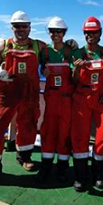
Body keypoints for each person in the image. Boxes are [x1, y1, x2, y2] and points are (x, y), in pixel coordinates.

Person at [0, 10, 46, 190]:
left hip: (29, 95)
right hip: (6, 96)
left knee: (29, 126)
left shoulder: (39, 46)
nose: (21, 29)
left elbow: (58, 54)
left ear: (30, 27)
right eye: (17, 26)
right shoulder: (3, 46)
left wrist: (71, 45)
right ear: (12, 27)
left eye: (24, 26)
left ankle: (24, 157)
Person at [71, 16, 103, 192]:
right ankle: (81, 176)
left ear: (100, 33)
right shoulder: (77, 53)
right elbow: (72, 82)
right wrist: (77, 69)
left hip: (102, 99)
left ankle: (97, 173)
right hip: (82, 98)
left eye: (94, 32)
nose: (90, 35)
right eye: (87, 32)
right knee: (80, 136)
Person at [35, 17, 76, 182]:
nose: (55, 34)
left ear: (64, 33)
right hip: (51, 99)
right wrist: (42, 73)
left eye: (59, 31)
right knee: (48, 132)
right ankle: (45, 167)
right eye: (52, 31)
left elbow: (76, 77)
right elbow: (38, 69)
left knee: (65, 134)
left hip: (67, 100)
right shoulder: (44, 52)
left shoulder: (71, 51)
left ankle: (62, 168)